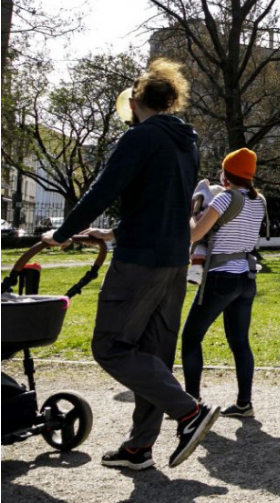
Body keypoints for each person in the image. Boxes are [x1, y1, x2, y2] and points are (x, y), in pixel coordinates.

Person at [41, 59, 219, 471]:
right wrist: (114, 233)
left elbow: (104, 189)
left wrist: (64, 232)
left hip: (140, 262)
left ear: (137, 100)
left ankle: (188, 413)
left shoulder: (141, 137)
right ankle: (140, 447)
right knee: (152, 354)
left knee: (111, 346)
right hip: (173, 258)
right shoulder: (186, 142)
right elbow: (160, 202)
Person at [182, 148, 266, 419]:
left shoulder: (224, 199)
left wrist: (193, 209)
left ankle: (192, 405)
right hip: (246, 275)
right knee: (240, 342)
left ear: (226, 175)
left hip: (220, 276)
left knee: (191, 338)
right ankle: (244, 403)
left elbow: (196, 233)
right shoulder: (260, 200)